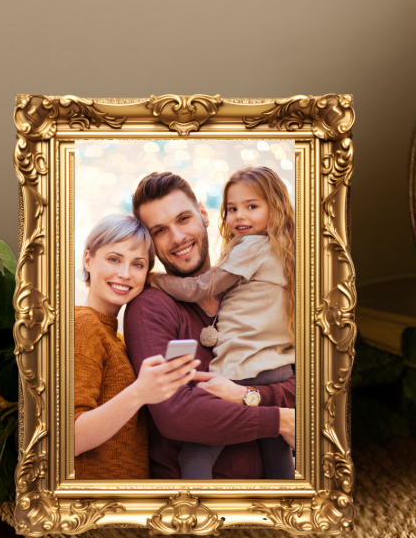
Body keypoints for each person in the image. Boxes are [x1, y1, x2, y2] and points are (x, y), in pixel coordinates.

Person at [123, 171, 296, 481]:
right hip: (199, 504)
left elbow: (305, 388)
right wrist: (279, 419)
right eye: (160, 230)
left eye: (184, 219)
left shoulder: (249, 288)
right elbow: (177, 415)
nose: (177, 238)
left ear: (204, 214)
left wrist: (247, 395)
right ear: (150, 243)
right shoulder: (150, 308)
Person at [74, 213, 199, 480]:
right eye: (114, 259)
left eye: (138, 264)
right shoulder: (82, 325)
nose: (125, 273)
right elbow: (66, 439)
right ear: (88, 259)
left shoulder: (117, 338)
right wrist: (139, 393)